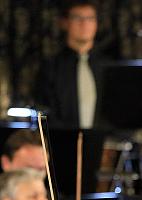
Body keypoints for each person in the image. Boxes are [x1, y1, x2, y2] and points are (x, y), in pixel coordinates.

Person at [34, 0, 105, 129]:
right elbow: (45, 112)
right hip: (62, 143)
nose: (84, 24)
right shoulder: (51, 67)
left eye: (90, 18)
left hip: (103, 144)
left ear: (96, 24)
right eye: (77, 18)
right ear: (65, 23)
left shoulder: (106, 66)